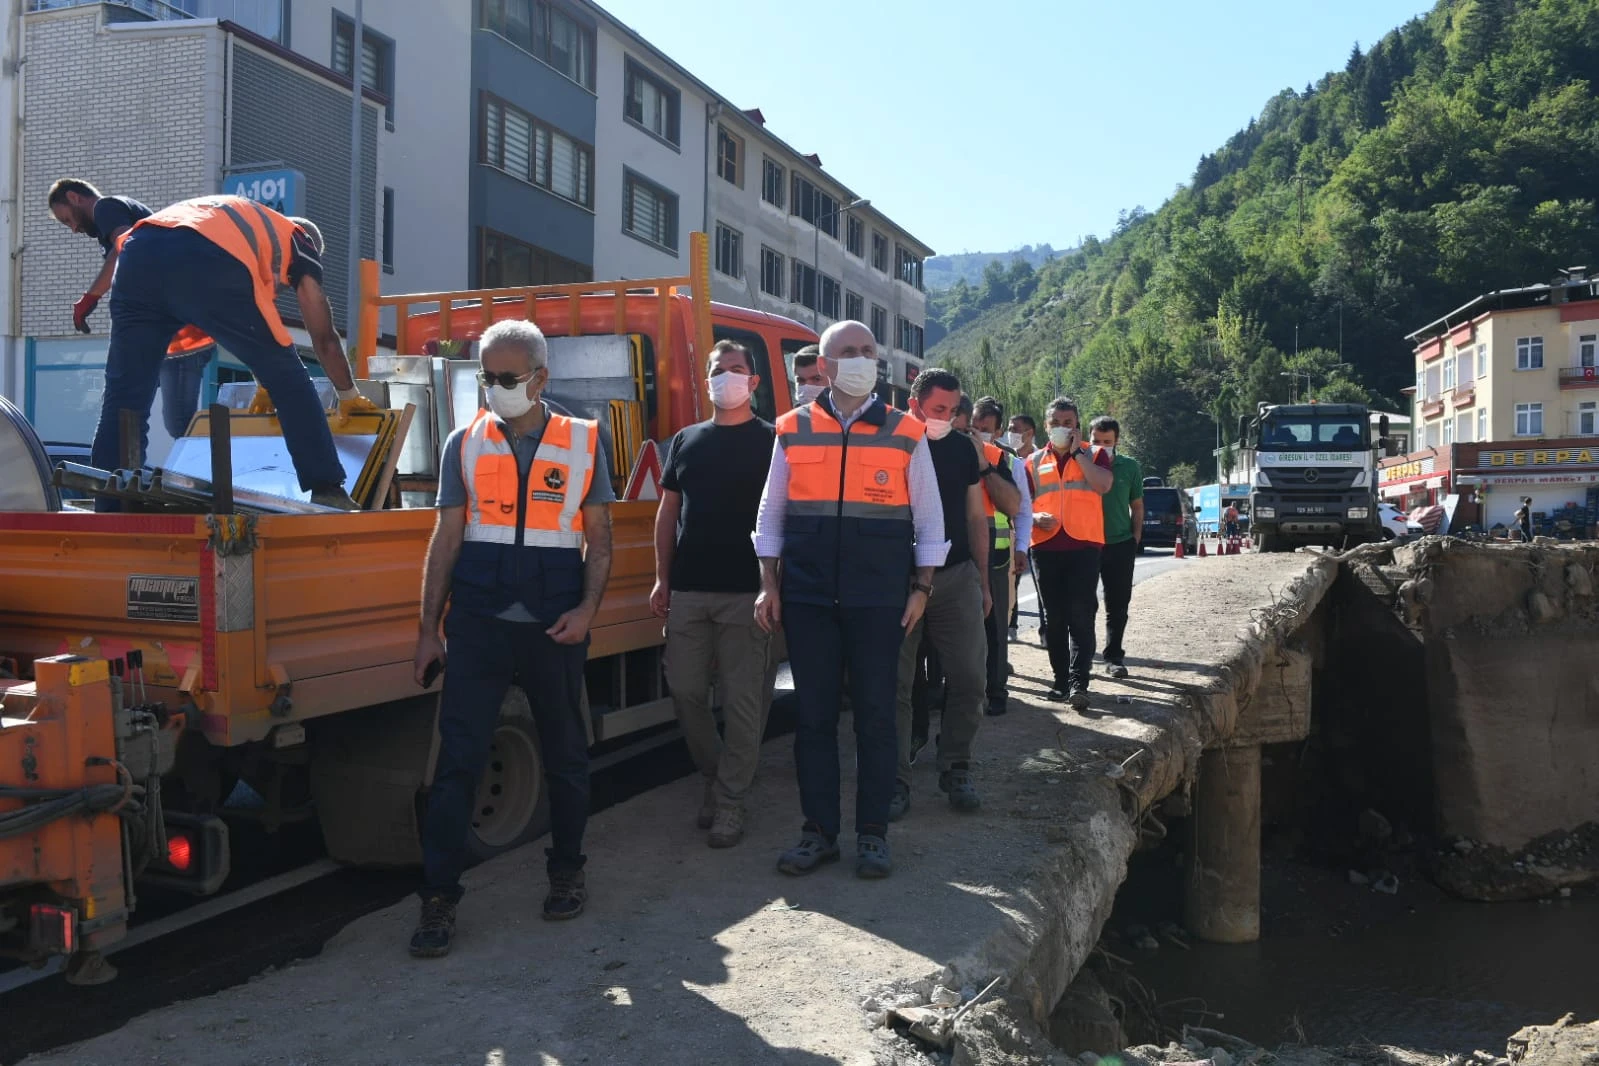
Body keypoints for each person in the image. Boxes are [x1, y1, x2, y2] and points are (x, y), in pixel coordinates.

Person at [409, 319, 615, 957]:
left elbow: (601, 542)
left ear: (541, 378)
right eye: (487, 377)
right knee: (457, 766)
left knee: (565, 757)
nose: (495, 388)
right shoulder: (462, 443)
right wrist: (427, 631)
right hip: (477, 623)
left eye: (507, 378)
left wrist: (586, 612)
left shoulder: (583, 441)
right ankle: (438, 899)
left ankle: (567, 871)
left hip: (555, 627)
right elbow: (444, 540)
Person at [754, 319, 946, 879]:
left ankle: (872, 835)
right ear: (827, 363)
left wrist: (923, 588)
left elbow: (930, 520)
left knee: (876, 717)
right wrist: (770, 584)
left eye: (868, 350)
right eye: (848, 352)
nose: (861, 359)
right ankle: (818, 834)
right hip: (810, 597)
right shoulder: (791, 427)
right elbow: (772, 513)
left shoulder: (906, 430)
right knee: (812, 720)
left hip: (879, 598)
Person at [86, 194, 369, 510]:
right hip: (202, 255)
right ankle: (327, 486)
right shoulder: (299, 240)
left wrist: (262, 381)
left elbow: (246, 326)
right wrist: (347, 394)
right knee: (289, 379)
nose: (283, 287)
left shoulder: (234, 217)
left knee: (124, 397)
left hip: (136, 254)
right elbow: (325, 338)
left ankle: (112, 503)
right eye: (287, 282)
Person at [651, 340, 775, 849]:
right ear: (706, 380)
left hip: (747, 593)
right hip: (689, 589)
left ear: (754, 382)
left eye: (737, 369)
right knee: (684, 689)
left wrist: (773, 585)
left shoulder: (774, 440)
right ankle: (716, 774)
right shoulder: (685, 441)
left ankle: (729, 803)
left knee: (744, 704)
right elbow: (667, 514)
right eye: (718, 370)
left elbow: (782, 518)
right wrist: (662, 576)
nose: (727, 377)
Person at [886, 373, 996, 820]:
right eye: (938, 410)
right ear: (915, 403)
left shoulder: (960, 449)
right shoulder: (888, 442)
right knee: (894, 685)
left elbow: (976, 517)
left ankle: (956, 765)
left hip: (955, 579)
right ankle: (894, 779)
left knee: (971, 677)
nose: (946, 419)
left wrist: (984, 583)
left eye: (952, 412)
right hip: (897, 581)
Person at [48, 178, 216, 442]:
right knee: (128, 411)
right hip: (163, 336)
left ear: (74, 197)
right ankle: (133, 473)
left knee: (179, 423)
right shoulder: (121, 218)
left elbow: (127, 250)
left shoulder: (106, 207)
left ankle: (216, 475)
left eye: (68, 219)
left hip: (184, 336)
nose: (74, 229)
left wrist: (90, 297)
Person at [1026, 397, 1113, 710]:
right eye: (1056, 423)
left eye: (1069, 423)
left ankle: (1080, 682)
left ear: (1077, 426)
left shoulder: (1096, 454)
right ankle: (1060, 681)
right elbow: (1022, 505)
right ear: (1047, 426)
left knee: (1080, 615)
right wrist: (1034, 519)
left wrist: (1078, 454)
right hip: (1045, 547)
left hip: (1084, 546)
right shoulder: (1032, 461)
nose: (1062, 428)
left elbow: (1103, 485)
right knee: (1054, 618)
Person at [971, 396, 1032, 715]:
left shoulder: (1008, 462)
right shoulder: (955, 451)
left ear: (996, 433)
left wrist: (1022, 547)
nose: (979, 433)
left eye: (986, 429)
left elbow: (1022, 512)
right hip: (961, 551)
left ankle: (996, 692)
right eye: (975, 426)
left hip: (997, 554)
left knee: (995, 625)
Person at [1089, 417, 1143, 681]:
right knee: (1084, 604)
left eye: (1107, 442)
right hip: (1086, 543)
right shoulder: (1081, 464)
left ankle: (1113, 658)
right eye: (1096, 441)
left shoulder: (1130, 467)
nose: (1101, 446)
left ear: (1117, 441)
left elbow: (1138, 505)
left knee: (1118, 604)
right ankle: (1083, 658)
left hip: (1120, 544)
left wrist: (1135, 539)